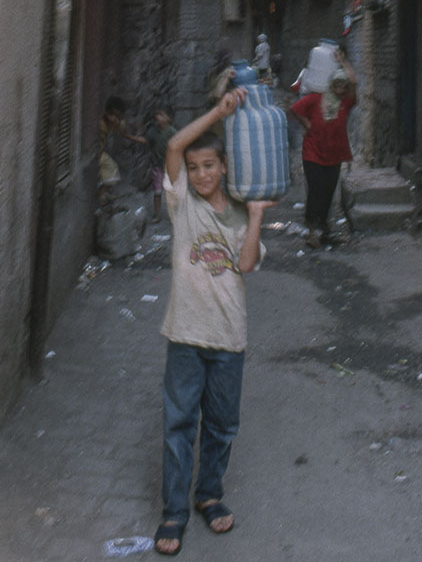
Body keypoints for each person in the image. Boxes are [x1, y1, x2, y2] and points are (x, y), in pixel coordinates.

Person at [154, 89, 275, 556]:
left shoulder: (243, 212)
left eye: (211, 166)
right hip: (185, 333)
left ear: (225, 168)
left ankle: (209, 495)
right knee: (179, 423)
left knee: (222, 424)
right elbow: (172, 147)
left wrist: (260, 216)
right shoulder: (182, 203)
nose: (201, 174)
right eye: (196, 166)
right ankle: (174, 512)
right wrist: (219, 113)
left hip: (228, 337)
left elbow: (245, 266)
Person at [289, 49, 357, 248]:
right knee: (316, 192)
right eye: (337, 85)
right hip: (313, 153)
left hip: (334, 155)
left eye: (343, 86)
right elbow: (294, 109)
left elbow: (354, 82)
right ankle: (311, 231)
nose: (341, 89)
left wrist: (343, 61)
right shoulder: (316, 99)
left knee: (328, 193)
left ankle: (324, 230)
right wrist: (306, 124)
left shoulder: (346, 101)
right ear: (331, 84)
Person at [98, 96, 143, 202]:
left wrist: (135, 136)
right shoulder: (101, 124)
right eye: (111, 115)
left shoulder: (116, 123)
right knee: (111, 169)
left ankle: (103, 193)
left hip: (100, 151)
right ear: (106, 112)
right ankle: (101, 195)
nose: (114, 118)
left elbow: (123, 130)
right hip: (97, 152)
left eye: (117, 116)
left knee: (111, 172)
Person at [139, 107, 176, 222]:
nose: (158, 118)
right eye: (157, 115)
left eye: (161, 115)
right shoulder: (152, 132)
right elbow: (145, 140)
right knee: (157, 191)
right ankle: (157, 214)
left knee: (172, 191)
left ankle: (175, 215)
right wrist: (128, 136)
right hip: (157, 166)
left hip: (170, 166)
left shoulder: (171, 132)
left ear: (168, 118)